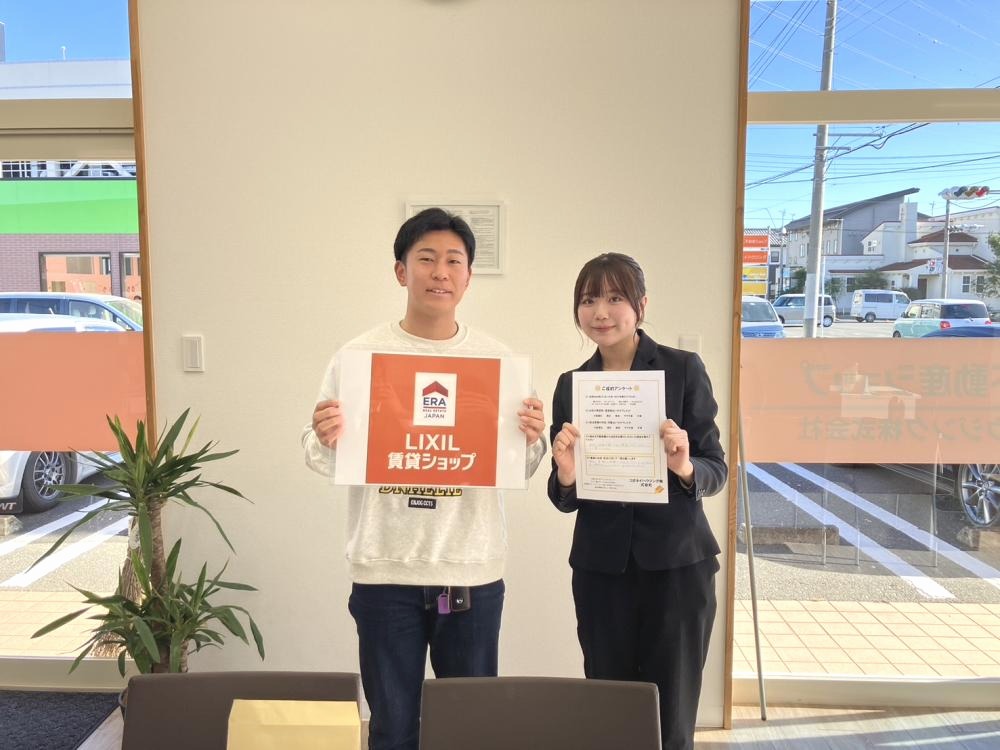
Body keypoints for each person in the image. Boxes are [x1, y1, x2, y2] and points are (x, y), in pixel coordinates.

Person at [302, 207, 547, 750]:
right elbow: (319, 456)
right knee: (392, 729)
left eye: (454, 261)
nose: (441, 272)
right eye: (427, 259)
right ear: (401, 271)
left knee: (470, 730)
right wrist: (324, 436)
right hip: (385, 569)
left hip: (471, 570)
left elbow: (522, 466)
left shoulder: (499, 361)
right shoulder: (358, 357)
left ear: (468, 277)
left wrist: (533, 439)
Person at [547, 252, 726, 750]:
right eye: (589, 300)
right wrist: (566, 475)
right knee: (610, 708)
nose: (600, 312)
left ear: (641, 306)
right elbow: (563, 497)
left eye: (614, 298)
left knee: (672, 712)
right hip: (601, 570)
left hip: (678, 567)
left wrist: (684, 466)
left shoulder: (682, 369)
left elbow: (716, 469)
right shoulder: (572, 385)